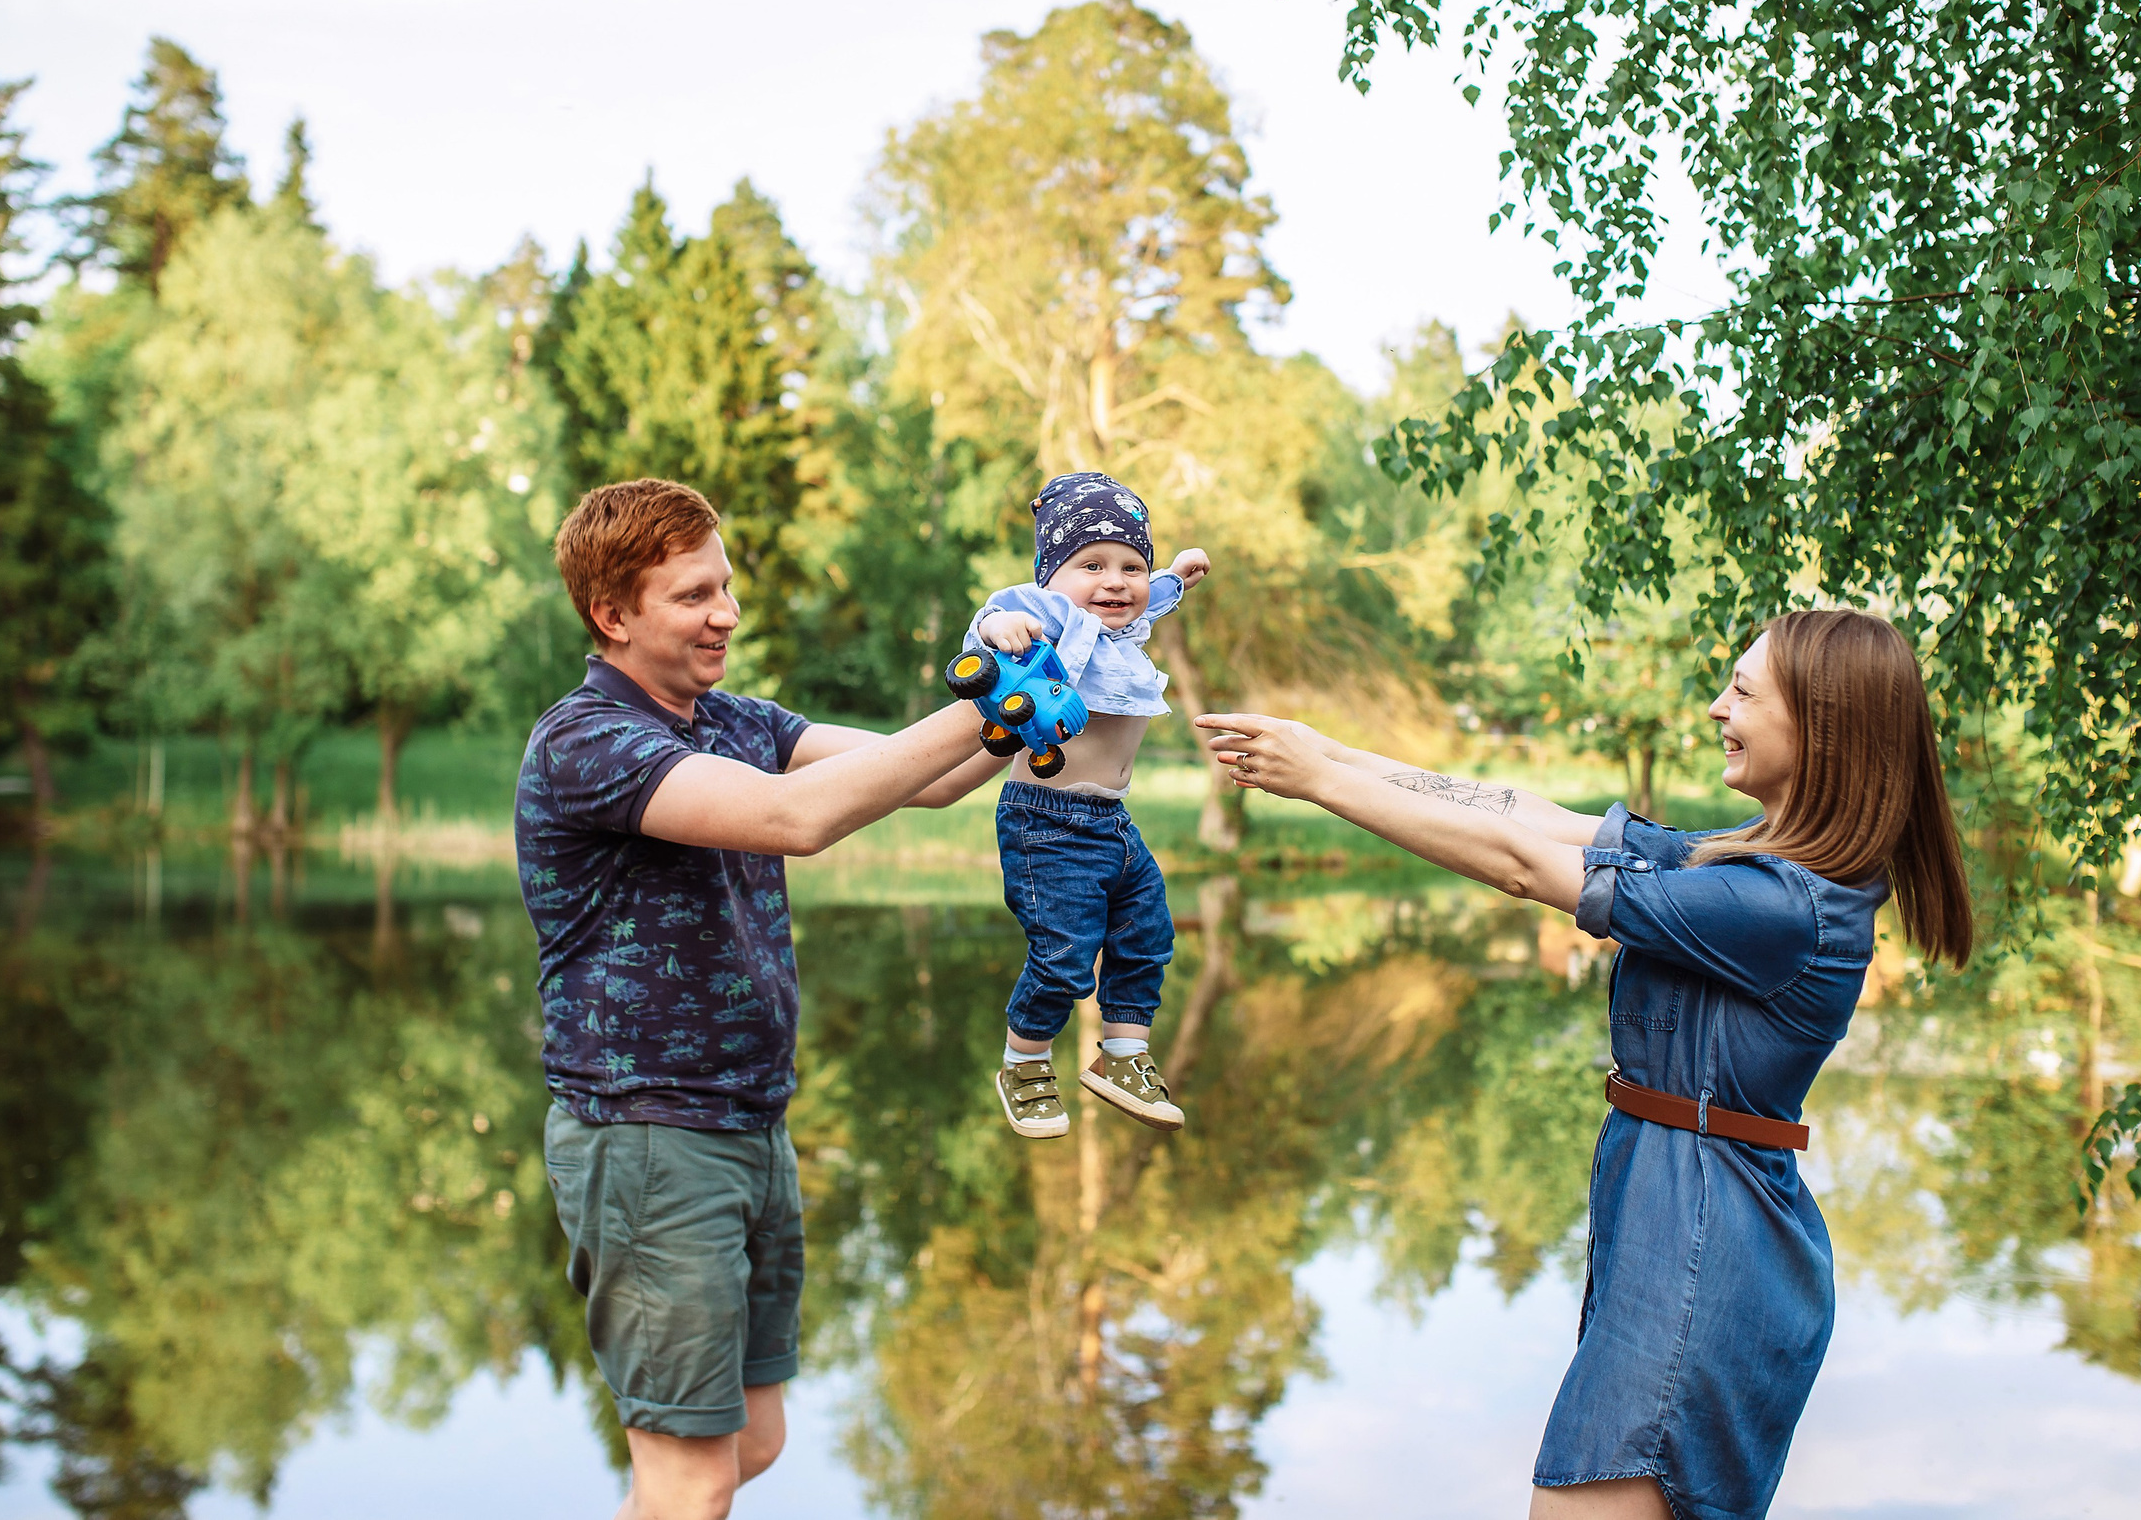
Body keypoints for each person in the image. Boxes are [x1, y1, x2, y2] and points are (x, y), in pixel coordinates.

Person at [1197, 608, 1971, 1520]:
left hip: (1701, 1257)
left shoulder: (1782, 908)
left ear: (1824, 728)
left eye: (1745, 691)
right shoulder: (1743, 865)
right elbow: (1537, 816)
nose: (1718, 707)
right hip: (1681, 1233)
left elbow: (1529, 867)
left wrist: (1324, 784)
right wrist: (1338, 755)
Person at [516, 478, 1004, 1520]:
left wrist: (1044, 686)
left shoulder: (735, 720)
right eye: (694, 595)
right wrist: (983, 703)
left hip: (748, 1124)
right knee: (689, 1483)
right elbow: (792, 819)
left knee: (754, 1440)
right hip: (647, 1136)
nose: (726, 613)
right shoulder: (586, 742)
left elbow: (924, 779)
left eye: (726, 587)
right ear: (612, 614)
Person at [963, 472, 1211, 1138]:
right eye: (1092, 564)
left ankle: (1122, 1055)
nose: (1116, 581)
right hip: (1047, 821)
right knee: (1064, 958)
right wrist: (1003, 626)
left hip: (1113, 821)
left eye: (1131, 565)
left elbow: (1155, 597)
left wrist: (1179, 575)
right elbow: (988, 619)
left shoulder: (1125, 625)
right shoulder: (1047, 613)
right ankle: (1025, 1061)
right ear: (1052, 575)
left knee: (1149, 933)